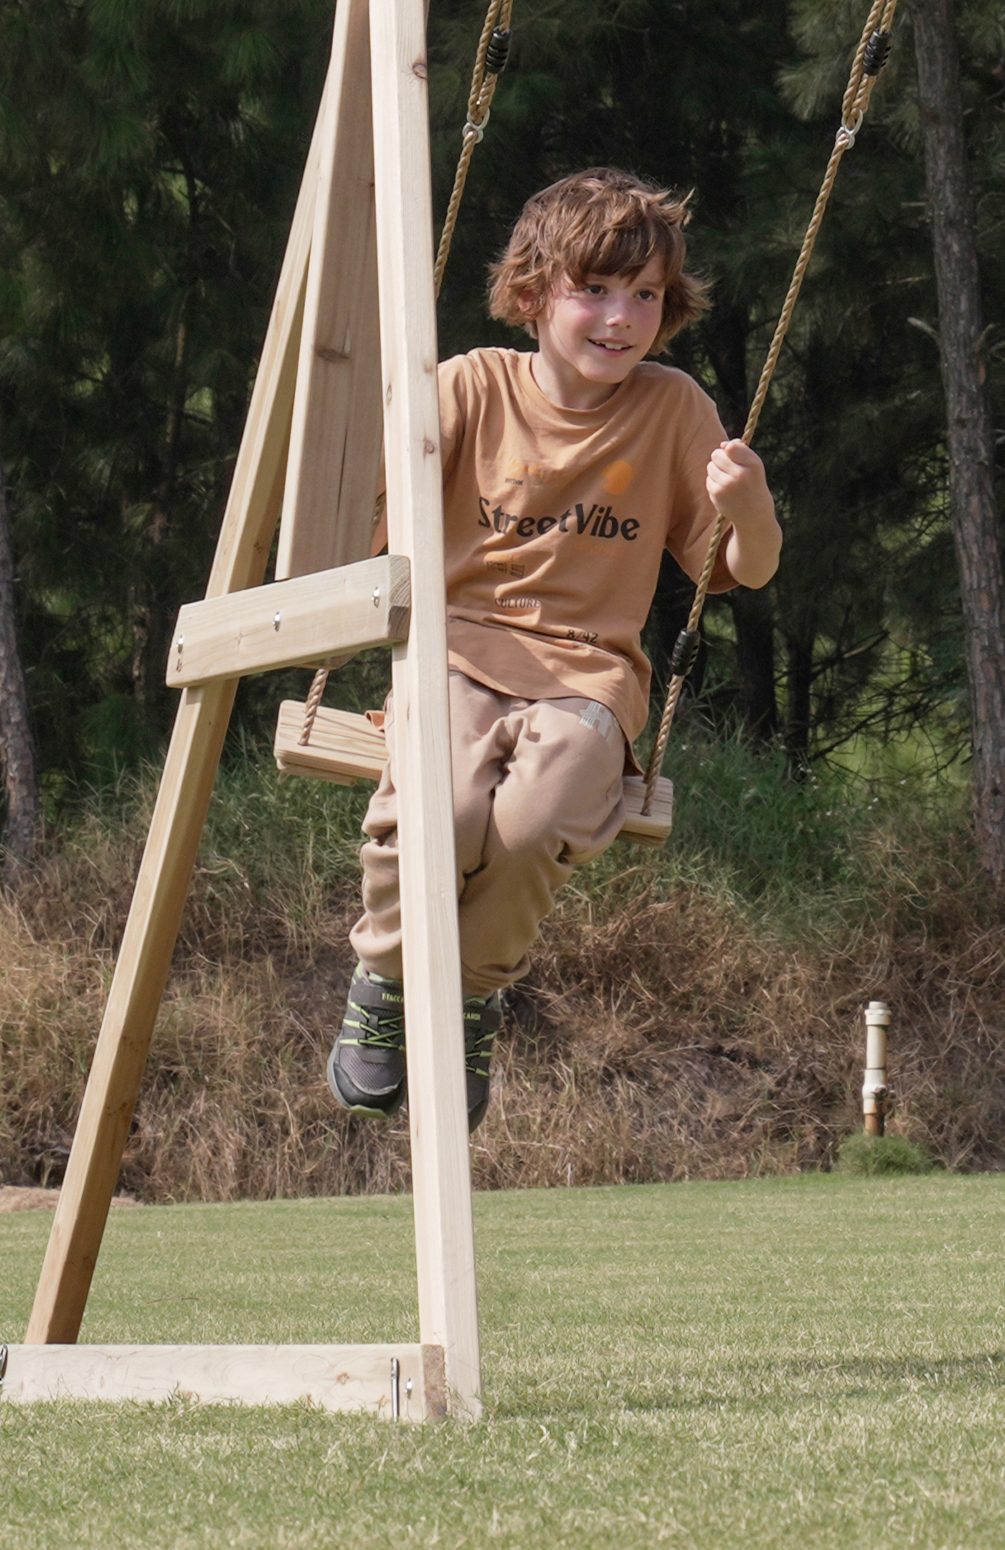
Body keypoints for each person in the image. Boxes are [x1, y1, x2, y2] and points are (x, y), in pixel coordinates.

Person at [329, 168, 780, 1124]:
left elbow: (739, 569)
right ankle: (388, 980)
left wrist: (751, 508)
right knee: (444, 815)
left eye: (646, 295)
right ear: (533, 295)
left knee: (535, 823)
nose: (622, 318)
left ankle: (471, 992)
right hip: (455, 649)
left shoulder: (672, 410)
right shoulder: (468, 386)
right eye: (596, 290)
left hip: (590, 674)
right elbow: (365, 526)